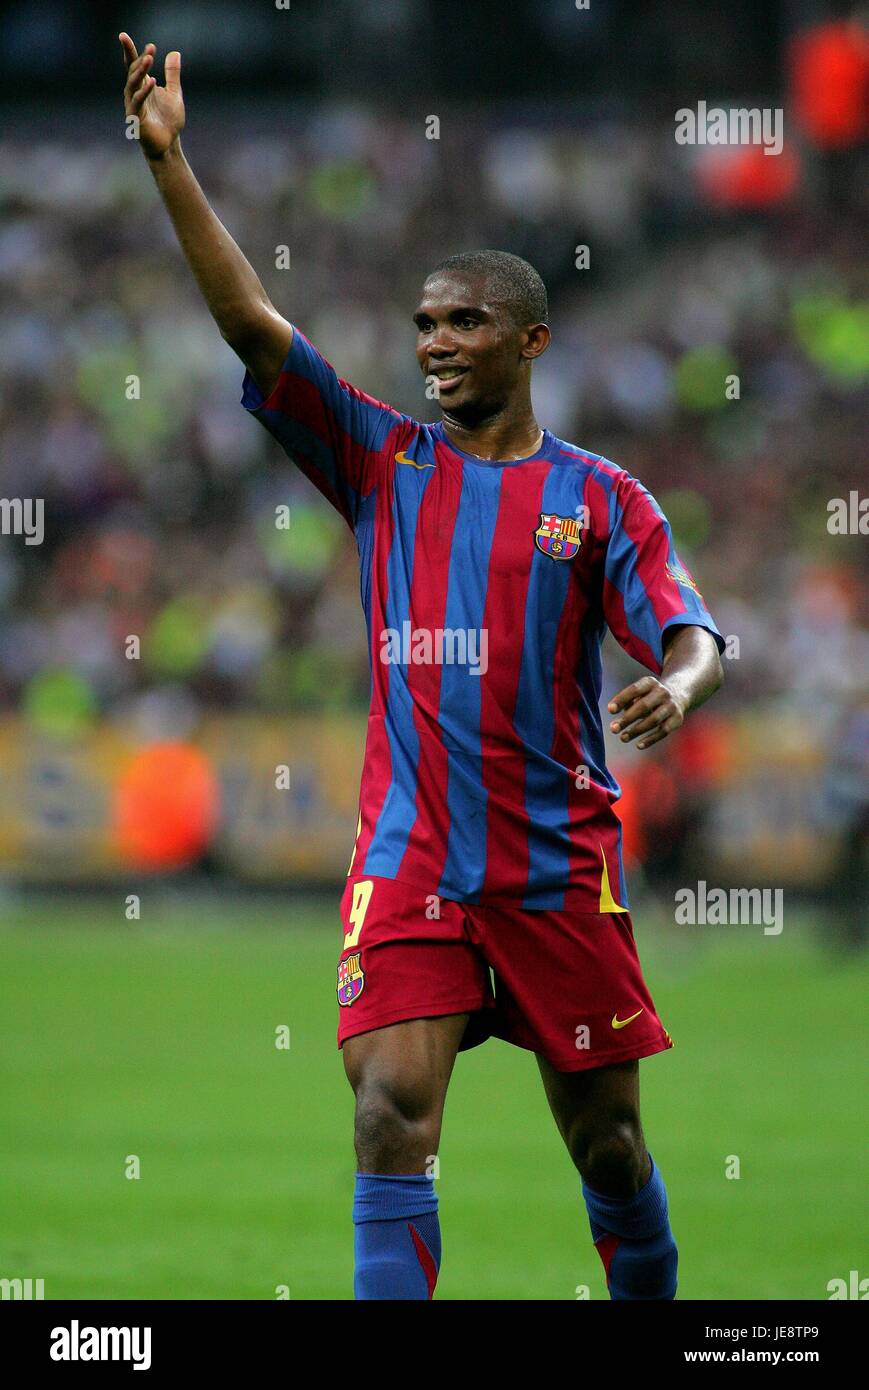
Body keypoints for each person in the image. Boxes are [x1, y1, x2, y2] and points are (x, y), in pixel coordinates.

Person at [121, 34, 725, 1301]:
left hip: (556, 861)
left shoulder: (599, 499)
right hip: (407, 858)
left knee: (606, 1144)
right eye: (422, 325)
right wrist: (170, 163)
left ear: (532, 342)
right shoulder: (380, 463)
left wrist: (674, 685)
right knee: (390, 1111)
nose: (434, 342)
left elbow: (691, 630)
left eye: (462, 322)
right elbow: (254, 330)